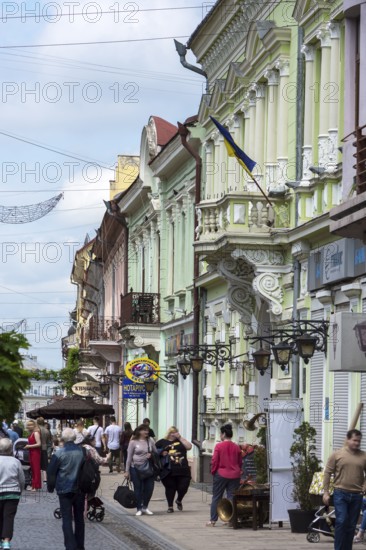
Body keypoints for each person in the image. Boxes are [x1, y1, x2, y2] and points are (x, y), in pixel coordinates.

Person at [323, 429, 366, 550]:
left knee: (351, 525)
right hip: (340, 493)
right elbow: (327, 473)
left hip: (357, 495)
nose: (357, 443)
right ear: (347, 440)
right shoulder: (337, 455)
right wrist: (326, 492)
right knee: (341, 521)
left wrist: (364, 486)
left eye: (359, 441)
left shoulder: (363, 456)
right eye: (354, 440)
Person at [47, 428, 85, 550]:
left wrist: (50, 487)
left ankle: (70, 546)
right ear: (74, 438)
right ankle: (80, 546)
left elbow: (51, 472)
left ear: (62, 439)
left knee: (67, 519)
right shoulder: (82, 451)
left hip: (64, 489)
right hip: (80, 488)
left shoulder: (59, 453)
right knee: (79, 519)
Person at [207, 424, 243, 527]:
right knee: (231, 496)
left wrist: (214, 472)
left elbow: (214, 461)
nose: (220, 436)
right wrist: (238, 470)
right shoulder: (236, 447)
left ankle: (213, 520)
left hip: (221, 474)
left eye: (220, 433)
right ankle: (230, 520)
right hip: (235, 475)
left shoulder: (219, 446)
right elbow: (240, 462)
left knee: (217, 497)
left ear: (223, 434)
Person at [156, 426, 192, 513]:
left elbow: (189, 446)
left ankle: (179, 499)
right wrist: (161, 452)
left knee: (183, 487)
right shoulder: (162, 442)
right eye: (172, 432)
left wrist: (180, 438)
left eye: (175, 432)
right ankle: (170, 506)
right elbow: (154, 450)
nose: (173, 434)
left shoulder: (180, 441)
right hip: (168, 469)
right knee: (170, 488)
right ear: (168, 433)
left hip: (182, 468)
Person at [124, 424, 157, 516]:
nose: (146, 432)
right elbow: (129, 457)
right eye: (144, 430)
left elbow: (156, 452)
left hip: (148, 468)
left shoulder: (150, 440)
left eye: (147, 430)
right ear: (139, 431)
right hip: (135, 468)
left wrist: (151, 455)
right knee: (137, 488)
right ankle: (139, 508)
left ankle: (145, 506)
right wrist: (127, 471)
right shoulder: (133, 442)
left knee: (149, 488)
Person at [0, 438, 25, 550]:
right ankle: (6, 541)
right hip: (13, 493)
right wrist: (20, 490)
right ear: (11, 449)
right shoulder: (16, 462)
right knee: (9, 517)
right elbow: (22, 480)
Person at [24, 420, 42, 491]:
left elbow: (39, 444)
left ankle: (36, 486)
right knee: (33, 469)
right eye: (28, 425)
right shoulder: (32, 433)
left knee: (36, 469)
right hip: (31, 452)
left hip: (35, 452)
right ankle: (33, 485)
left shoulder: (36, 433)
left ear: (34, 425)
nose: (29, 426)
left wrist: (29, 446)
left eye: (31, 425)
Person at [37, 417, 53, 483]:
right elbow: (49, 443)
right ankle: (45, 479)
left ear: (37, 422)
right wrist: (49, 453)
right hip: (44, 449)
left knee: (37, 465)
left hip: (36, 449)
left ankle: (37, 479)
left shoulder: (36, 430)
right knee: (44, 466)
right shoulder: (47, 431)